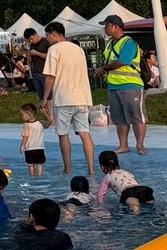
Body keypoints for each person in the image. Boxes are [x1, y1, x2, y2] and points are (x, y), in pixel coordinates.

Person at [42, 22, 94, 176]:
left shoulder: (54, 50)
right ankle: (91, 169)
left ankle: (68, 168)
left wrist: (45, 98)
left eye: (47, 36)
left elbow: (50, 77)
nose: (47, 39)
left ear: (53, 34)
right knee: (85, 133)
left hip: (63, 97)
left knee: (63, 133)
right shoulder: (78, 49)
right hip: (82, 97)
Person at [97, 15, 147, 156]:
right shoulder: (109, 44)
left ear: (115, 26)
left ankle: (140, 145)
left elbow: (123, 61)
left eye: (106, 25)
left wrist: (104, 68)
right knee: (119, 118)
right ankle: (123, 145)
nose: (104, 28)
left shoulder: (129, 43)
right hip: (113, 86)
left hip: (131, 85)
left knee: (137, 117)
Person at [18, 102, 46, 177]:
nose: (21, 116)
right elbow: (50, 122)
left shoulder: (26, 125)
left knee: (31, 165)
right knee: (39, 165)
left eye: (22, 114)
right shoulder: (40, 123)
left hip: (30, 149)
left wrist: (22, 146)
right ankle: (40, 176)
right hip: (40, 148)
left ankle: (32, 176)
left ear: (29, 114)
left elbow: (25, 137)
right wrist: (45, 114)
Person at [24, 29, 50, 100]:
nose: (31, 41)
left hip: (44, 72)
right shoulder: (32, 45)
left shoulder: (46, 42)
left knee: (48, 97)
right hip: (35, 72)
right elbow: (31, 60)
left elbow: (50, 56)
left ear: (35, 34)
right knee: (40, 97)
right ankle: (44, 109)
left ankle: (49, 110)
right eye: (29, 40)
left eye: (31, 39)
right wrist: (28, 54)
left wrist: (37, 53)